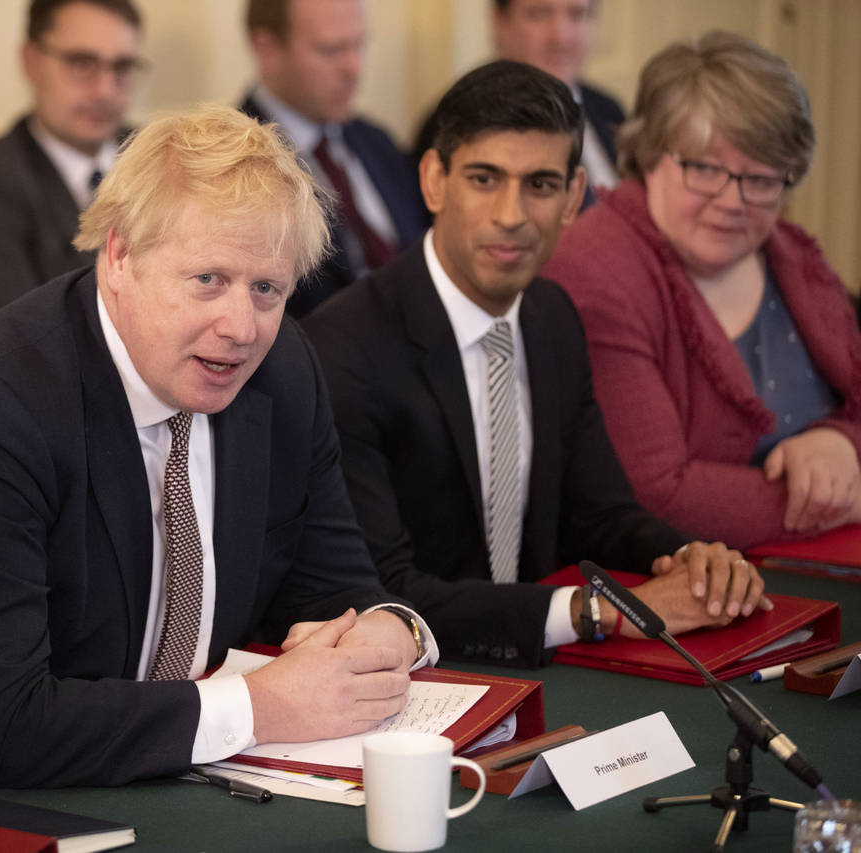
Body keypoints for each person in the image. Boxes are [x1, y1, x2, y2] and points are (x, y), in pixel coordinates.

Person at [0, 103, 433, 788]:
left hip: (181, 772)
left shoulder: (282, 368)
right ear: (118, 255)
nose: (241, 326)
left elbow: (335, 586)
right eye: (208, 280)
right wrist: (258, 706)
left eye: (267, 288)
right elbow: (2, 726)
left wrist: (391, 629)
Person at [305, 61, 768, 668]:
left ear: (574, 196)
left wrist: (692, 560)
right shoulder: (344, 349)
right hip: (411, 687)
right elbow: (385, 592)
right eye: (484, 178)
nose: (511, 214)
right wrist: (599, 611)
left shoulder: (552, 316)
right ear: (434, 181)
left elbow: (599, 513)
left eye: (541, 185)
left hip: (547, 669)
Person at [545, 31, 861, 550]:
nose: (732, 200)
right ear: (650, 156)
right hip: (677, 588)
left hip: (818, 567)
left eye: (760, 179)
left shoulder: (793, 254)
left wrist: (840, 444)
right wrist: (837, 499)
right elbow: (657, 495)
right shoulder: (595, 270)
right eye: (706, 169)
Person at [0, 0, 145, 333]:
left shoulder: (163, 159)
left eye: (121, 67)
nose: (105, 90)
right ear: (31, 61)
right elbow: (2, 340)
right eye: (82, 63)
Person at [242, 0, 426, 316]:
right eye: (331, 50)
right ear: (267, 48)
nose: (353, 68)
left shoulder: (377, 142)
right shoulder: (234, 161)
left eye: (358, 45)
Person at [413, 0, 624, 209]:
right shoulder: (454, 120)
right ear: (499, 21)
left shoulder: (608, 111)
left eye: (577, 15)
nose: (561, 37)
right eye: (539, 14)